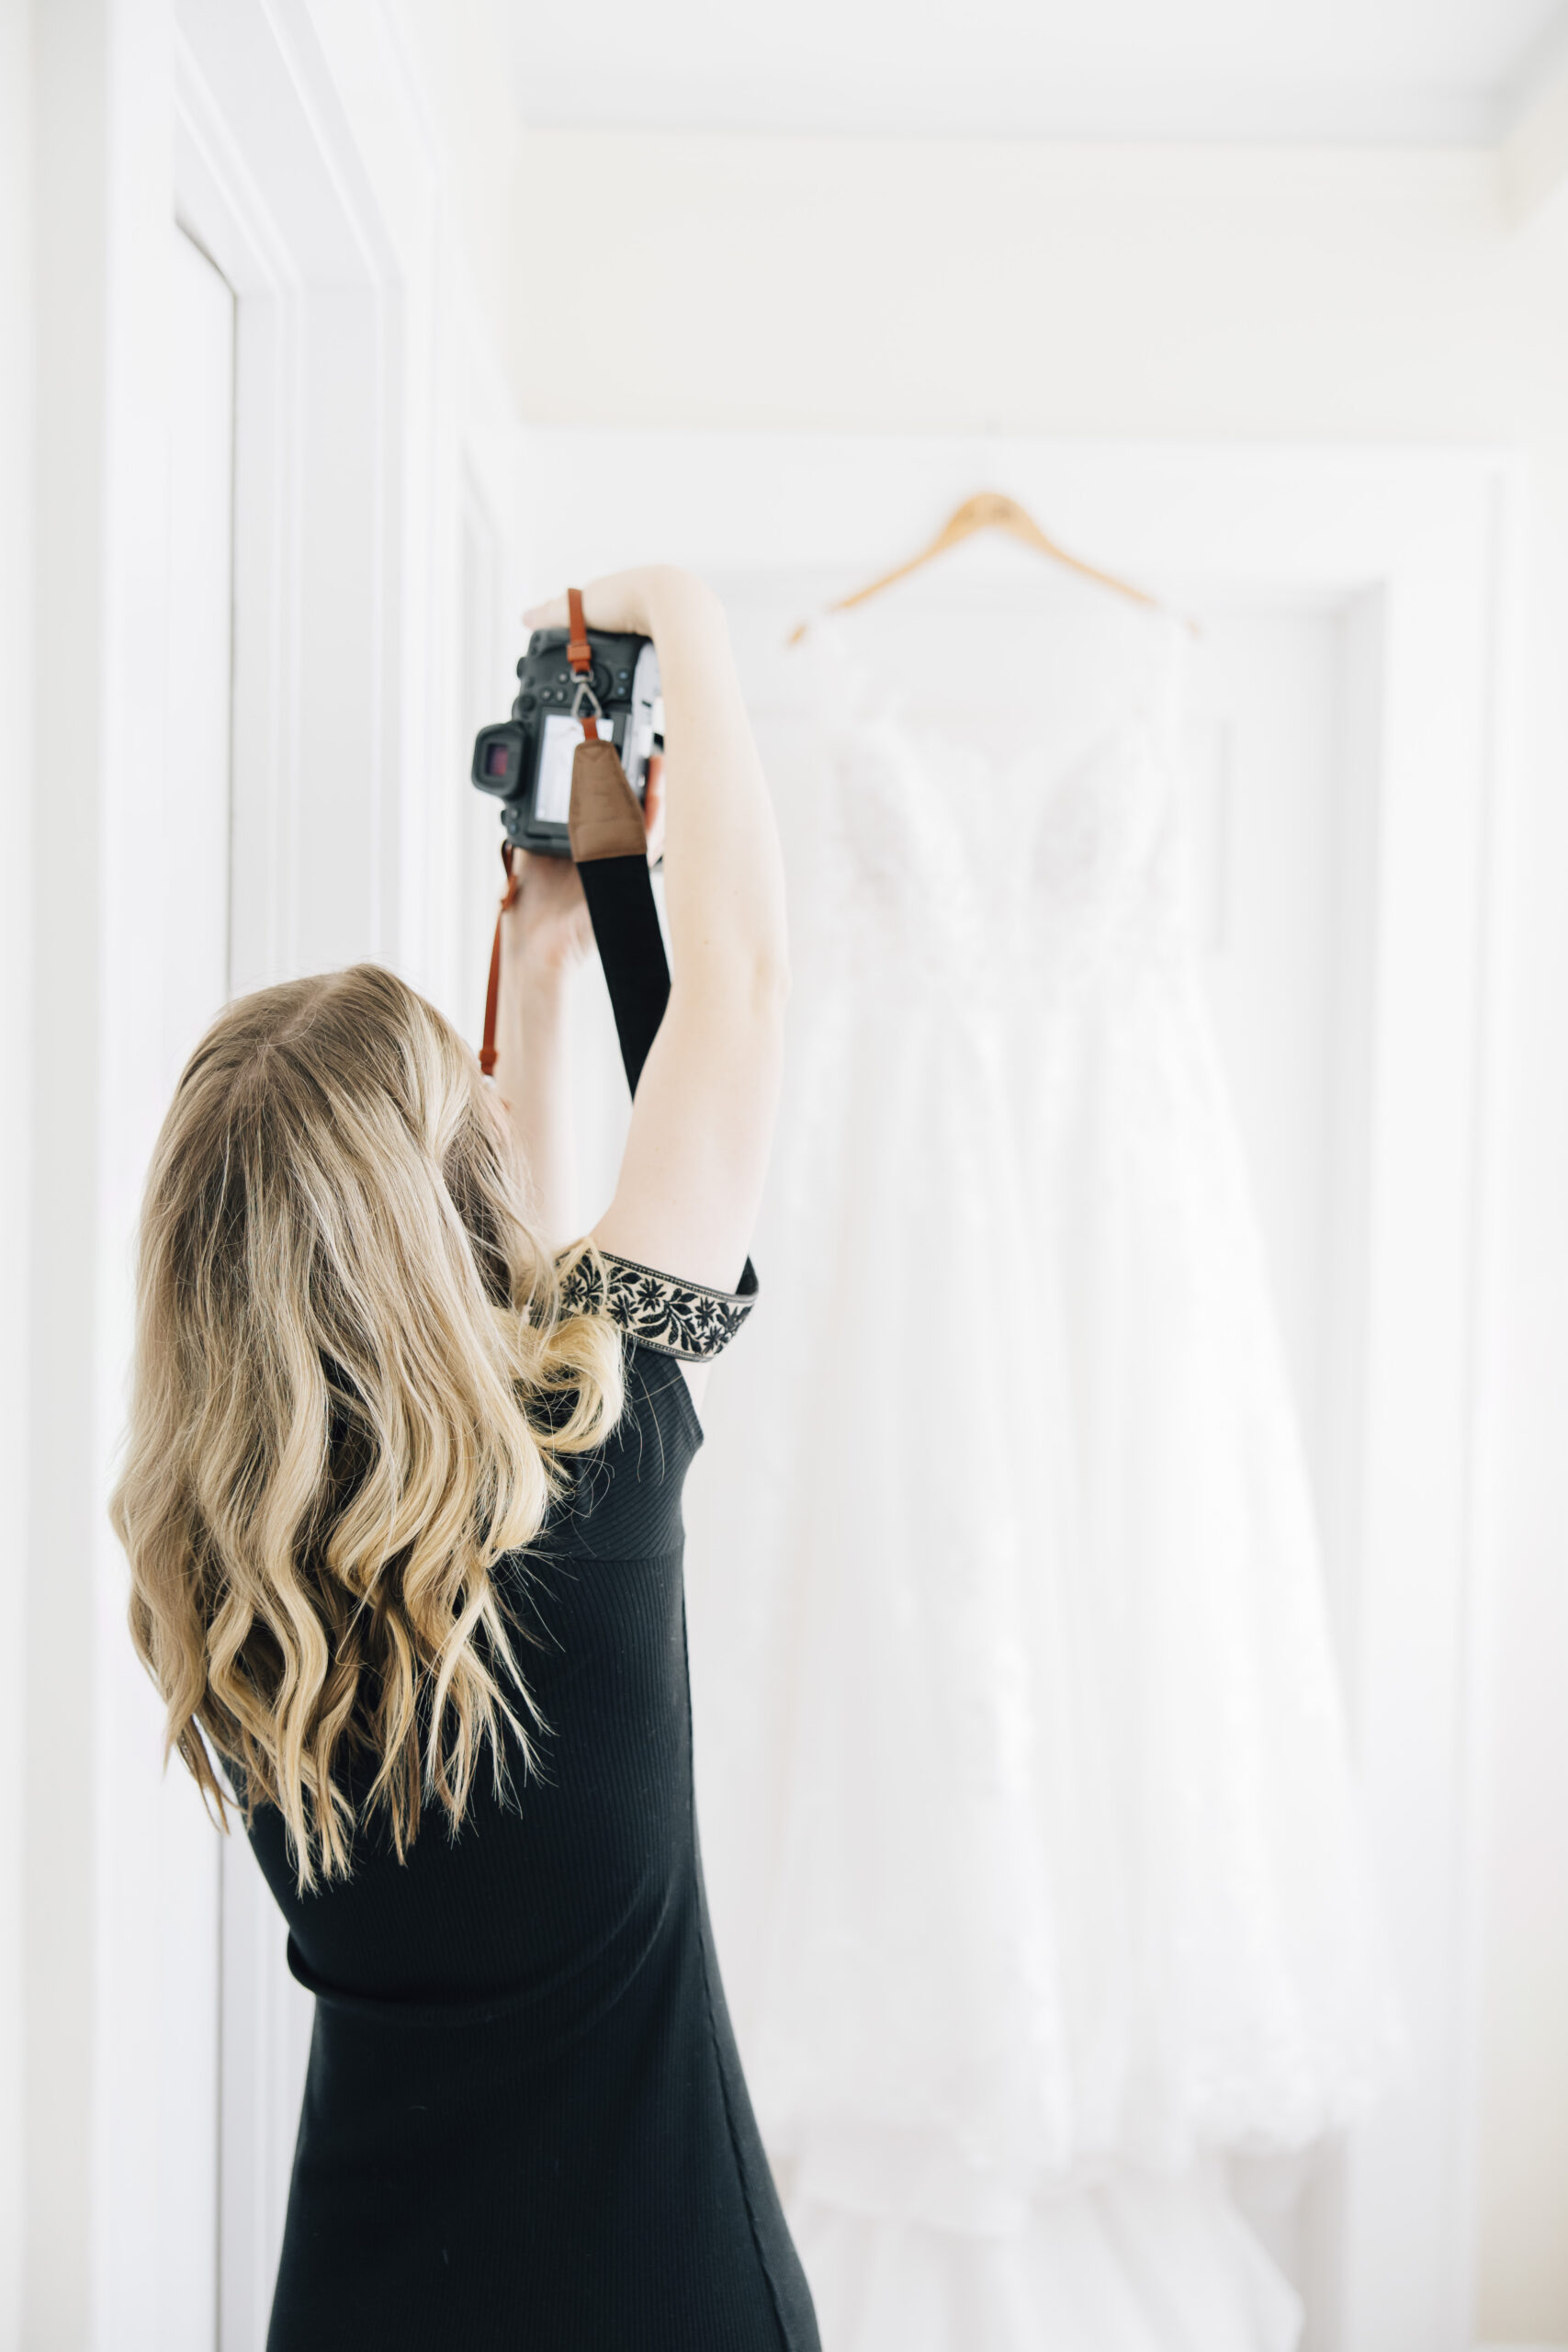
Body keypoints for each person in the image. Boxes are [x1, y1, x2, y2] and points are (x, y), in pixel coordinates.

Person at [109, 568, 816, 2351]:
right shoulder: (579, 1471)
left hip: (369, 2294)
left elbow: (481, 1262)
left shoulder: (220, 1599)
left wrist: (554, 942)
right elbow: (731, 992)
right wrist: (693, 634)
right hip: (664, 2298)